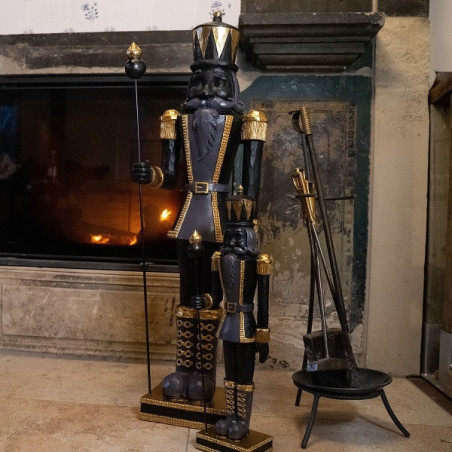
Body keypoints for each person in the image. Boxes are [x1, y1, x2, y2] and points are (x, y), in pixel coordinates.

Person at [131, 11, 267, 402]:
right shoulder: (176, 118)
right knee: (186, 298)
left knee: (210, 299)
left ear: (231, 84)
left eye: (217, 81)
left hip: (223, 220)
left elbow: (251, 186)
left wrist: (245, 222)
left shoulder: (247, 120)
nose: (207, 90)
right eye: (200, 81)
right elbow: (170, 177)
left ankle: (204, 373)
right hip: (188, 213)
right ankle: (184, 368)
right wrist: (149, 175)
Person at [213, 187, 271, 440]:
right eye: (230, 236)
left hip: (247, 324)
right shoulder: (220, 258)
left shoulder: (260, 262)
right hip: (227, 322)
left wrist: (263, 336)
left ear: (249, 236)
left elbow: (264, 302)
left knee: (244, 376)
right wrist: (205, 300)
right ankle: (231, 416)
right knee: (230, 375)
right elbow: (215, 294)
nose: (233, 242)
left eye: (239, 237)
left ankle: (242, 422)